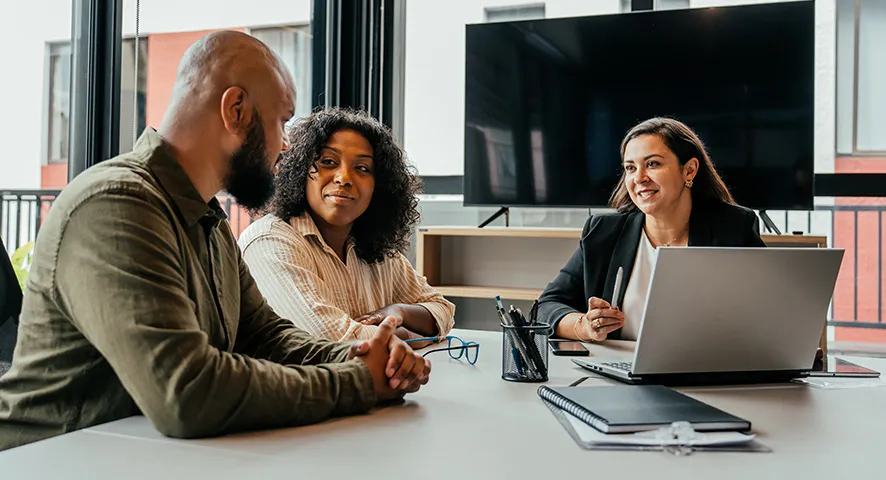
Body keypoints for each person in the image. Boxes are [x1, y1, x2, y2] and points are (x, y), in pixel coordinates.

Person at [0, 31, 429, 452]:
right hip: (48, 459)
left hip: (141, 456)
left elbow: (265, 336)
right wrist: (358, 381)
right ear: (236, 109)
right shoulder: (116, 205)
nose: (284, 147)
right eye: (281, 121)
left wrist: (360, 356)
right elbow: (186, 392)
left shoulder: (208, 219)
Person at [239, 107, 455, 346]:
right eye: (328, 162)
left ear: (379, 186)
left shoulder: (375, 247)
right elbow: (332, 340)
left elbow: (442, 310)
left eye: (362, 168)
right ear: (299, 171)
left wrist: (400, 311)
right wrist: (406, 336)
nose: (344, 178)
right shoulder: (269, 242)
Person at [538, 117, 765, 342]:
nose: (639, 178)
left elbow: (771, 308)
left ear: (689, 170)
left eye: (653, 164)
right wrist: (584, 327)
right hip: (618, 371)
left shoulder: (733, 227)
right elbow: (547, 305)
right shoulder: (603, 232)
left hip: (703, 371)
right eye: (630, 167)